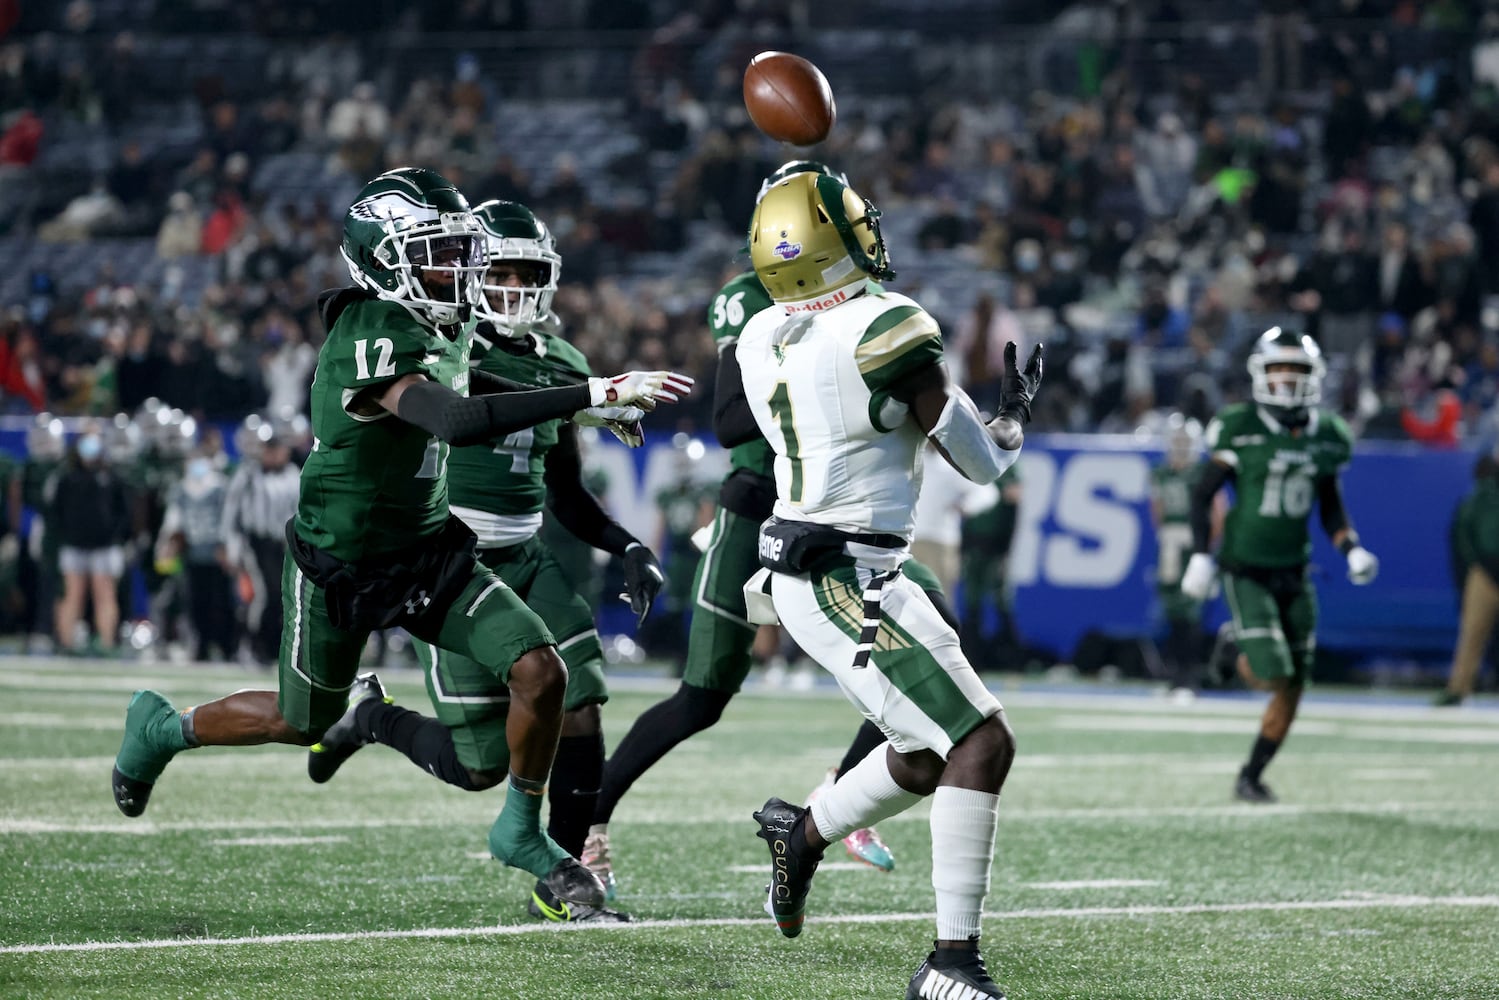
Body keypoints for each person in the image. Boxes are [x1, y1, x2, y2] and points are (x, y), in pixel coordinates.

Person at [110, 166, 691, 910]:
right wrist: (593, 394)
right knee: (300, 719)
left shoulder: (443, 325)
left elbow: (476, 390)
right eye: (438, 252)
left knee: (542, 672)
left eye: (457, 251)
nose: (458, 269)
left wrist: (578, 413)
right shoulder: (369, 330)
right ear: (384, 258)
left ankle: (519, 832)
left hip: (427, 552)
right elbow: (450, 418)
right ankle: (164, 728)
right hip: (341, 563)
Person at [738, 168, 1043, 999]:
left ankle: (800, 834)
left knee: (918, 754)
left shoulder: (759, 332)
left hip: (843, 563)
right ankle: (950, 964)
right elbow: (977, 462)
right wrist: (1010, 419)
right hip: (841, 573)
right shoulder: (888, 324)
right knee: (981, 742)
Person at [589, 162, 917, 891]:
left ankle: (843, 796)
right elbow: (732, 419)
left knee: (923, 661)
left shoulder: (869, 303)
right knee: (702, 697)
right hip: (760, 505)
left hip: (838, 515)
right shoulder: (751, 302)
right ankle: (586, 826)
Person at [402, 198, 663, 923]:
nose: (515, 287)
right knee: (481, 765)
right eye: (501, 271)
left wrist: (628, 544)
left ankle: (565, 878)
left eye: (528, 272)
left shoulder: (564, 361)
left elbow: (567, 494)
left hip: (524, 555)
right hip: (450, 561)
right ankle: (372, 719)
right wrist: (585, 399)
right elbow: (470, 402)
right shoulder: (446, 348)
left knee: (580, 706)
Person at [1181, 327, 1379, 803]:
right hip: (1246, 568)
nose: (1287, 379)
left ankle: (1251, 775)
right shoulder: (1238, 425)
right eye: (1278, 368)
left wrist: (1349, 546)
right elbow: (1203, 491)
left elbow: (1329, 503)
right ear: (1259, 373)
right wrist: (1201, 555)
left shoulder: (1329, 434)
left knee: (1294, 684)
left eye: (1297, 369)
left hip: (1296, 569)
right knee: (1271, 672)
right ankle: (1233, 648)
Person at [1148, 414, 1222, 695]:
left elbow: (1217, 512)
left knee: (1191, 611)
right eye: (1176, 440)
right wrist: (1167, 536)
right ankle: (1175, 676)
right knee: (1172, 611)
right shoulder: (1160, 472)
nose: (1179, 446)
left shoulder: (1203, 471)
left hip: (1193, 544)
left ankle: (1189, 678)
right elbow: (1158, 511)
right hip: (1170, 544)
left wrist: (1205, 548)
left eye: (1184, 441)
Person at [221, 420, 302, 667]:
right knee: (262, 594)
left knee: (283, 595)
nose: (274, 453)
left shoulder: (292, 475)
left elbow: (299, 511)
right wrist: (229, 545)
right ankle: (251, 644)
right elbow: (231, 511)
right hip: (254, 542)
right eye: (270, 448)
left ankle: (273, 646)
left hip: (283, 544)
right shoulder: (247, 474)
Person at [45, 427, 133, 654]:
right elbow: (55, 511)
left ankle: (106, 644)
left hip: (105, 546)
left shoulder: (112, 476)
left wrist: (115, 536)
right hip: (73, 545)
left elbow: (123, 511)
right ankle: (66, 644)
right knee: (72, 594)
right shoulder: (66, 476)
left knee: (105, 594)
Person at [1435, 451, 1499, 706]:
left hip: (1482, 569)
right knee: (1472, 633)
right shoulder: (1477, 498)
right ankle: (1459, 687)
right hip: (1483, 571)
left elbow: (1462, 535)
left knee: (1472, 635)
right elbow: (1464, 534)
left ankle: (1459, 687)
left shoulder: (1475, 498)